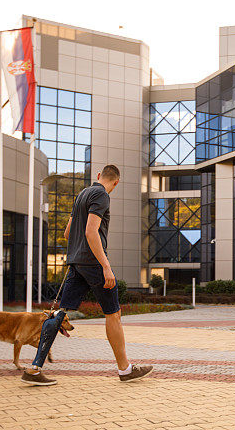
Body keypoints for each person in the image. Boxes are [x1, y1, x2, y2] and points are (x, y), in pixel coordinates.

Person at [22, 164, 153, 386]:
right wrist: (106, 266)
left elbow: (67, 233)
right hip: (93, 262)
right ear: (116, 183)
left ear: (99, 176)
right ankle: (125, 369)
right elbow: (91, 231)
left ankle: (35, 368)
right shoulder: (102, 195)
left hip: (76, 262)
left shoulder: (82, 194)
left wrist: (77, 252)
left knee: (59, 313)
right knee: (113, 314)